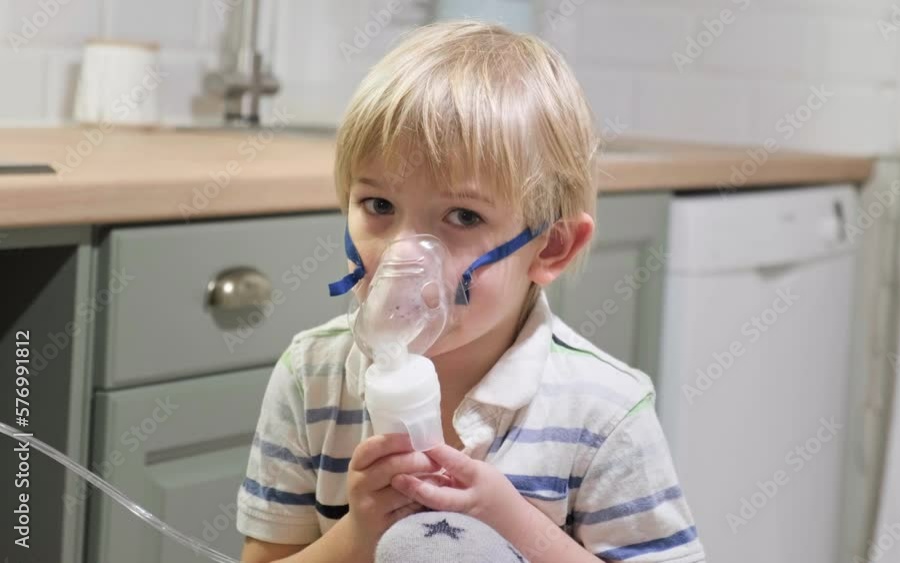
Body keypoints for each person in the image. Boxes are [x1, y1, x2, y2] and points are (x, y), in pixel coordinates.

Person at [236, 20, 704, 563]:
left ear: (550, 247)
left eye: (462, 215)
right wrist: (357, 536)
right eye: (379, 206)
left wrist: (512, 523)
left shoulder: (603, 413)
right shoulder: (311, 378)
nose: (402, 257)